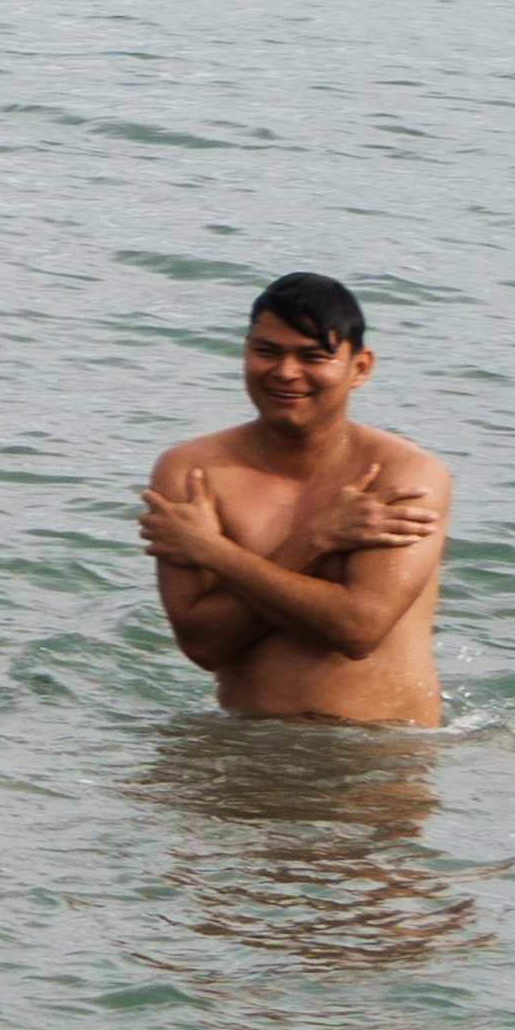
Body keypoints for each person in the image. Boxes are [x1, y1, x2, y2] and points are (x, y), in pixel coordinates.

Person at [137, 276, 452, 728]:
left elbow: (358, 628)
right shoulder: (192, 470)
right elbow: (203, 646)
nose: (285, 372)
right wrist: (315, 539)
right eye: (267, 351)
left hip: (379, 754)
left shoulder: (404, 474)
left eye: (312, 356)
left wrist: (215, 552)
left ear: (359, 368)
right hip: (245, 747)